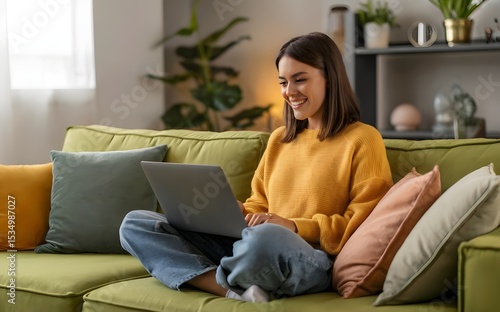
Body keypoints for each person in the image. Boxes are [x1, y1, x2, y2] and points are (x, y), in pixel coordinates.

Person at [119, 31, 393, 302]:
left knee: (267, 240)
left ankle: (228, 276)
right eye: (283, 82)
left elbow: (363, 224)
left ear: (330, 80)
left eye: (300, 80)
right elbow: (258, 206)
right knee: (136, 224)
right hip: (250, 244)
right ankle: (232, 291)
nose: (289, 92)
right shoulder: (279, 140)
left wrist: (294, 227)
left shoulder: (363, 139)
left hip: (308, 258)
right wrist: (234, 212)